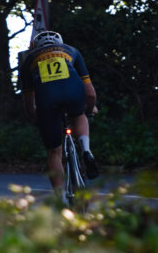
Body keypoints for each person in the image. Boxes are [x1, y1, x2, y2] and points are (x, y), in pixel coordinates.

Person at [20, 31, 99, 203]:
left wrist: (39, 119)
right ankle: (86, 150)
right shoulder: (72, 51)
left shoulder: (29, 60)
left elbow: (28, 104)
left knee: (54, 153)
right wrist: (91, 108)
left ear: (36, 46)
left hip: (46, 100)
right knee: (79, 114)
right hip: (74, 94)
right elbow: (90, 93)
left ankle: (60, 199)